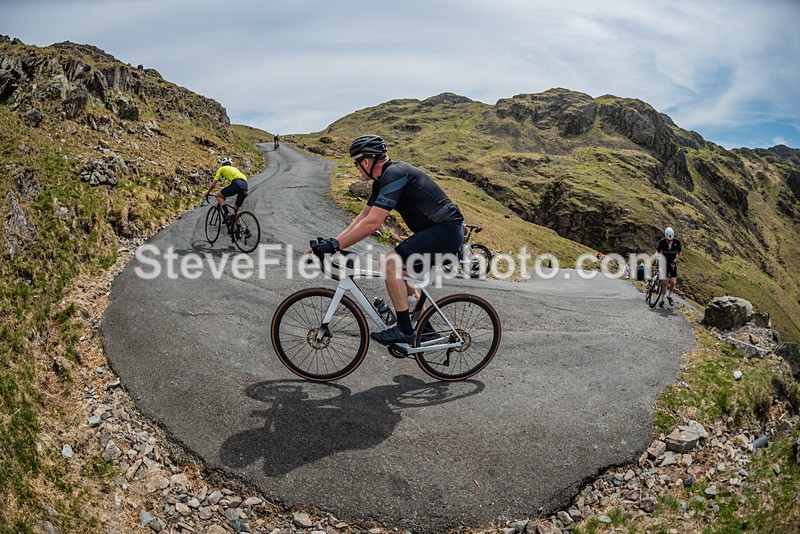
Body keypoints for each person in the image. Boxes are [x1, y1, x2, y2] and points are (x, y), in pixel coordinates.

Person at [308, 135, 465, 345]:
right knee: (402, 274)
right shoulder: (382, 181)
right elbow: (363, 217)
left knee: (390, 263)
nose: (357, 168)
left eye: (356, 164)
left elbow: (374, 223)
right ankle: (424, 330)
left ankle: (405, 330)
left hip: (445, 230)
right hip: (441, 231)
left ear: (365, 162)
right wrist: (334, 242)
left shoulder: (394, 173)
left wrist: (335, 246)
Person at [202, 157, 249, 235]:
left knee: (219, 196)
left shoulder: (221, 169)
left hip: (236, 184)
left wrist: (208, 192)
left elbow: (213, 184)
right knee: (236, 209)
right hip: (245, 185)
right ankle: (238, 231)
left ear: (222, 164)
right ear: (230, 164)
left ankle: (227, 213)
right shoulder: (235, 169)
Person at [656, 226, 682, 307]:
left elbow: (679, 252)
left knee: (673, 282)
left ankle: (669, 296)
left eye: (671, 240)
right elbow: (658, 251)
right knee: (665, 283)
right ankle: (662, 299)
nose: (669, 241)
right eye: (668, 240)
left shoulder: (677, 242)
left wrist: (675, 260)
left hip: (672, 263)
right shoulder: (662, 242)